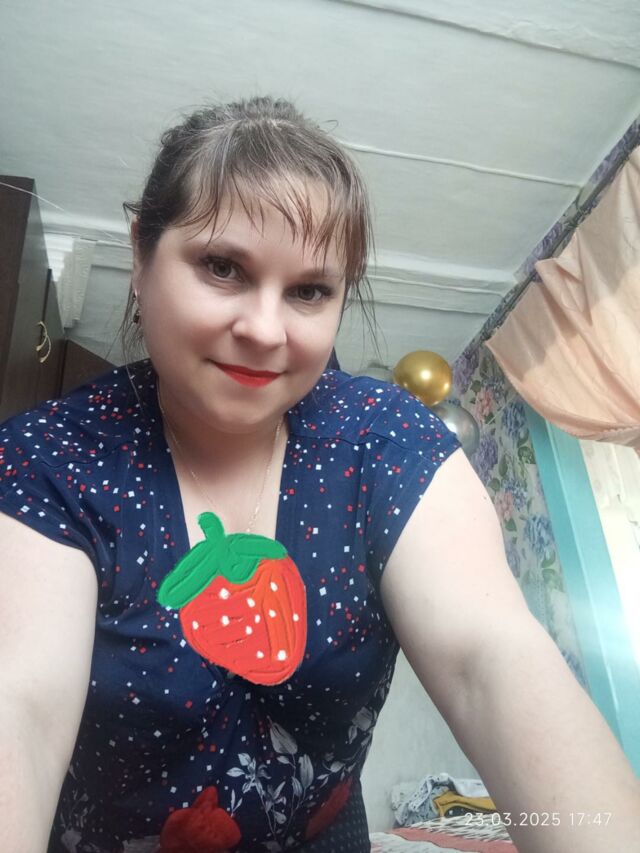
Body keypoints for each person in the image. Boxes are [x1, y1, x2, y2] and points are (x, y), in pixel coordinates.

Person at [0, 97, 638, 853]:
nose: (265, 329)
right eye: (223, 267)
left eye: (308, 290)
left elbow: (490, 660)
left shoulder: (385, 442)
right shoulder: (50, 463)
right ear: (141, 253)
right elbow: (21, 710)